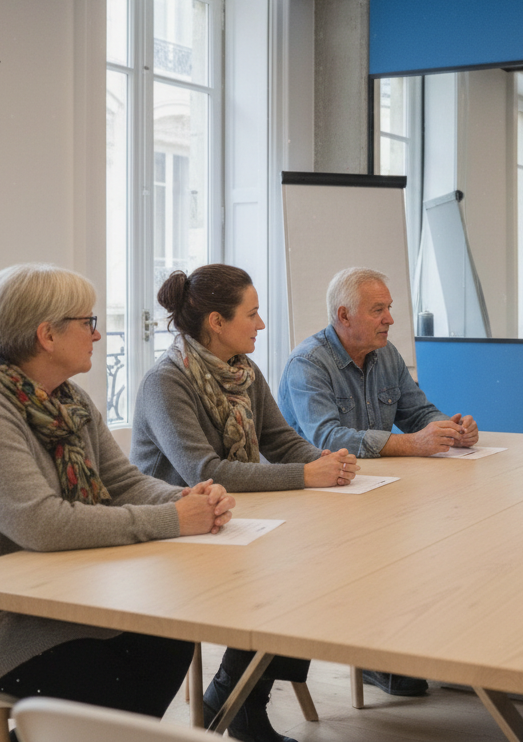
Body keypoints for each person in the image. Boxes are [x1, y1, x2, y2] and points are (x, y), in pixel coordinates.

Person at [0, 264, 234, 720]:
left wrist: (183, 500)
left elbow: (121, 483)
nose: (98, 335)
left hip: (29, 603)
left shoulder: (66, 399)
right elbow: (43, 524)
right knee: (109, 680)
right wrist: (173, 520)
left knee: (169, 634)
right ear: (47, 334)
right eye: (88, 322)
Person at [132, 264, 358, 742]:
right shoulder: (166, 382)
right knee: (287, 578)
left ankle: (240, 700)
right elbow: (206, 471)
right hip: (174, 536)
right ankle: (237, 702)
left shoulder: (243, 371)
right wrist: (305, 475)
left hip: (231, 522)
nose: (260, 324)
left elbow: (281, 441)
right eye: (252, 314)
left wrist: (326, 461)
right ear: (217, 322)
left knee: (316, 567)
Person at [278, 266, 476, 698]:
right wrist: (414, 446)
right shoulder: (307, 364)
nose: (390, 320)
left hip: (373, 492)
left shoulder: (386, 355)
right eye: (379, 310)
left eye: (389, 309)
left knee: (418, 551)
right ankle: (373, 656)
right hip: (313, 505)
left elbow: (418, 413)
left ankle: (390, 652)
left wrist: (450, 429)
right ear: (344, 315)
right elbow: (325, 438)